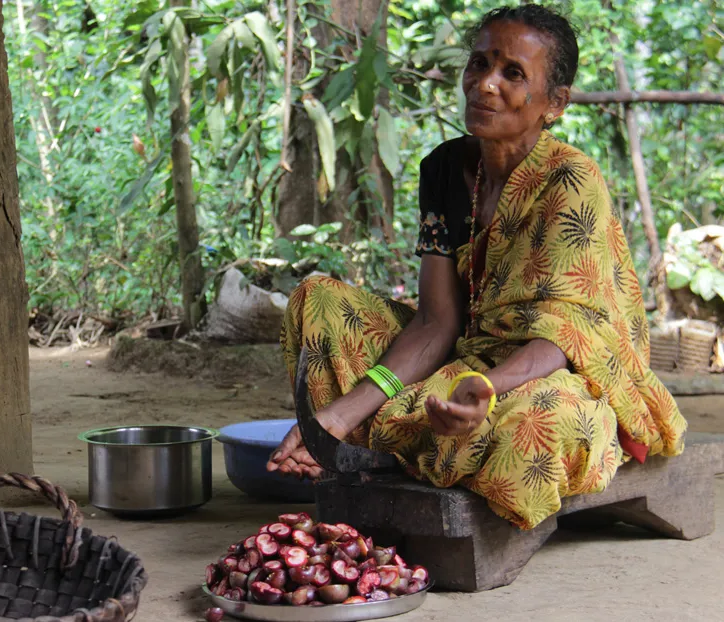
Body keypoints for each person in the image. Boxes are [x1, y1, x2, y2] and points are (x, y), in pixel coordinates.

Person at [266, 4, 687, 530]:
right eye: (479, 63)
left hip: (552, 370)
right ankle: (369, 448)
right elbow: (436, 322)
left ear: (554, 104)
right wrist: (335, 416)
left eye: (512, 73)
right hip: (464, 351)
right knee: (319, 301)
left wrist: (482, 391)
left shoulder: (570, 181)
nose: (485, 85)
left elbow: (565, 336)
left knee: (544, 423)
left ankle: (430, 448)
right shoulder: (444, 169)